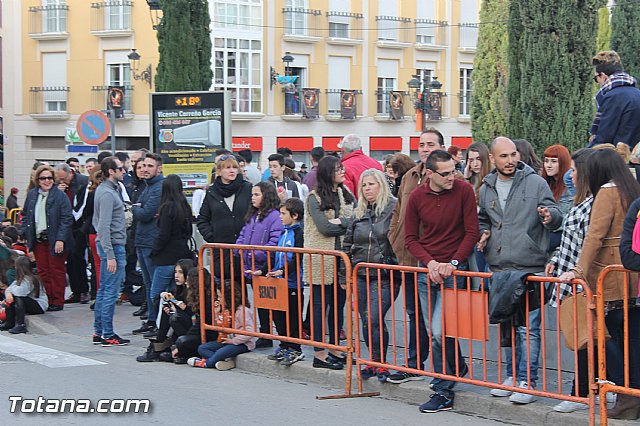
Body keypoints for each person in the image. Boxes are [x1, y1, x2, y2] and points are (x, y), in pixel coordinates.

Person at [478, 137, 562, 404]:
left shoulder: (535, 182)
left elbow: (555, 212)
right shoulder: (486, 187)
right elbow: (483, 219)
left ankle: (528, 381)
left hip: (529, 267)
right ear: (493, 159)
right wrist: (484, 233)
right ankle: (512, 377)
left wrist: (549, 216)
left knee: (529, 329)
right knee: (506, 326)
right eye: (504, 156)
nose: (511, 160)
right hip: (500, 265)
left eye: (513, 154)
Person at [561, 148, 640, 419]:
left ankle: (624, 395)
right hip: (630, 274)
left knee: (605, 338)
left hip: (608, 275)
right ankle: (630, 395)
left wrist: (578, 270)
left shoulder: (607, 191)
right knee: (628, 339)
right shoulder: (630, 186)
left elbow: (594, 236)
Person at [405, 150, 479, 413]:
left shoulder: (464, 191)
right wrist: (431, 264)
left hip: (453, 273)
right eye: (445, 173)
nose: (451, 176)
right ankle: (456, 367)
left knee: (440, 331)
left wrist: (453, 264)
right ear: (430, 173)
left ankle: (442, 390)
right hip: (429, 272)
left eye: (454, 170)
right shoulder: (416, 197)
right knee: (435, 331)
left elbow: (472, 232)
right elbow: (410, 238)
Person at [386, 129, 445, 384]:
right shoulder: (410, 176)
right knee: (413, 312)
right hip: (409, 256)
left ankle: (450, 368)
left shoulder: (448, 177)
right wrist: (392, 237)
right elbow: (398, 210)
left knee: (438, 320)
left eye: (430, 144)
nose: (425, 149)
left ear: (441, 146)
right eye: (421, 145)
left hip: (436, 258)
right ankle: (414, 363)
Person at [543, 148, 597, 413]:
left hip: (583, 280)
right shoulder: (580, 201)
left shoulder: (593, 204)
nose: (569, 175)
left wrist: (576, 270)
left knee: (586, 339)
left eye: (574, 171)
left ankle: (581, 392)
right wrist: (556, 257)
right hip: (570, 277)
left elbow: (588, 244)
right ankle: (584, 390)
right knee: (582, 339)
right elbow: (569, 239)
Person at [343, 169, 398, 381]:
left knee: (375, 318)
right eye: (364, 185)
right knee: (366, 320)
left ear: (381, 185)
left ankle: (381, 363)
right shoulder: (359, 211)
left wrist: (394, 263)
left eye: (372, 184)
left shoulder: (393, 208)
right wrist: (343, 276)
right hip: (360, 273)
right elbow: (348, 243)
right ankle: (374, 361)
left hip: (385, 275)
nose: (367, 189)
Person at [304, 155, 355, 370]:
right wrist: (344, 224)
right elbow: (324, 228)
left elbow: (355, 221)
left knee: (338, 305)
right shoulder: (313, 198)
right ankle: (319, 353)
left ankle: (335, 347)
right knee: (319, 306)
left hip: (342, 258)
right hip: (320, 259)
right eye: (338, 169)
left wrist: (341, 221)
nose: (342, 171)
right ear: (327, 173)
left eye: (342, 167)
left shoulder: (346, 194)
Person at [140, 174, 194, 339]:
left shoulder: (167, 207)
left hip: (165, 257)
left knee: (157, 293)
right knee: (172, 292)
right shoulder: (184, 206)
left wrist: (154, 250)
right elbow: (189, 231)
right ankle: (169, 324)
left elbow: (164, 234)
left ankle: (158, 326)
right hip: (181, 255)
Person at [255, 198, 305, 366]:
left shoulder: (299, 233)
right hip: (278, 282)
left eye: (284, 214)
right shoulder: (283, 232)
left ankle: (295, 348)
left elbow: (297, 258)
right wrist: (262, 270)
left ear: (295, 215)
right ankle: (284, 345)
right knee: (278, 316)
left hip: (292, 283)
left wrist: (284, 270)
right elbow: (273, 254)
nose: (280, 217)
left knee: (293, 317)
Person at [236, 181, 283, 347]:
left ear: (266, 196)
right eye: (252, 195)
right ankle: (265, 332)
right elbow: (242, 235)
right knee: (259, 301)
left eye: (256, 195)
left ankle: (268, 333)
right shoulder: (253, 216)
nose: (253, 198)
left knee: (268, 303)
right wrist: (240, 249)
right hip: (249, 265)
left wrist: (253, 253)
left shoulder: (275, 216)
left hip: (264, 266)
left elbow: (274, 241)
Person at [22, 165, 73, 312]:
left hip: (55, 240)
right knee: (43, 271)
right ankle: (47, 299)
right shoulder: (32, 195)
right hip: (38, 240)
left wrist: (60, 239)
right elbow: (25, 215)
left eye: (49, 178)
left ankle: (57, 300)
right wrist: (25, 232)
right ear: (38, 180)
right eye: (43, 178)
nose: (47, 181)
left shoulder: (60, 195)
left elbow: (66, 218)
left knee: (57, 270)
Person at [92, 156, 129, 347]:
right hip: (113, 245)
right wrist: (110, 255)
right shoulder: (107, 193)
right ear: (111, 172)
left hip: (111, 244)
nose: (124, 171)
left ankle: (100, 331)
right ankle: (107, 333)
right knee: (110, 291)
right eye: (120, 169)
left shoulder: (107, 190)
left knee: (104, 289)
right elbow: (103, 226)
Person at [196, 154, 252, 280]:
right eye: (227, 168)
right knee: (226, 290)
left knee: (244, 290)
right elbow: (202, 219)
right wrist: (212, 237)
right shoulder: (211, 192)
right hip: (222, 251)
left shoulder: (247, 188)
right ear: (219, 172)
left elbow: (256, 213)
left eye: (234, 167)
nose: (232, 170)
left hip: (245, 249)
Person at [136, 258, 196, 362]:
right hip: (180, 322)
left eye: (180, 272)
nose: (176, 276)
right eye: (175, 272)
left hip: (193, 326)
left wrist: (178, 306)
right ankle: (159, 344)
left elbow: (194, 312)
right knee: (163, 305)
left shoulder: (194, 290)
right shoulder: (179, 289)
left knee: (173, 316)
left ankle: (159, 344)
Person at [188, 281, 256, 370]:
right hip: (227, 340)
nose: (218, 299)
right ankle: (223, 362)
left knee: (220, 352)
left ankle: (207, 363)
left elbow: (250, 332)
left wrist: (234, 341)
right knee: (202, 348)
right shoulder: (226, 310)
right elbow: (220, 328)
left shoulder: (243, 311)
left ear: (228, 298)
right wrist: (217, 314)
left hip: (242, 343)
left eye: (220, 297)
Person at [131, 153, 164, 333]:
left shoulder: (159, 187)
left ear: (159, 168)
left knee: (155, 284)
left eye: (150, 166)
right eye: (143, 166)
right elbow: (141, 210)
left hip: (152, 241)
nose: (145, 169)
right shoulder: (146, 187)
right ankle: (151, 320)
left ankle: (156, 321)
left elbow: (145, 213)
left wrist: (138, 209)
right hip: (142, 240)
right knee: (148, 283)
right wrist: (139, 208)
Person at [54, 162, 90, 305]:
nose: (62, 182)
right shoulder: (59, 186)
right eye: (59, 179)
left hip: (79, 225)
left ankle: (84, 290)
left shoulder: (82, 182)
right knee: (69, 259)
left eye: (64, 178)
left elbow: (82, 206)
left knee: (78, 257)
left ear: (70, 173)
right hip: (66, 226)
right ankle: (76, 291)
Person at [589, 50, 640, 149]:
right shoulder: (637, 93)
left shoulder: (612, 97)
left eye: (596, 79)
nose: (598, 83)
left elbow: (604, 137)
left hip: (619, 159)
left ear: (603, 76)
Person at [0, 256, 48, 334]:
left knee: (18, 297)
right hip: (29, 303)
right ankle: (9, 323)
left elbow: (20, 292)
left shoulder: (31, 279)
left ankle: (21, 325)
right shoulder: (20, 278)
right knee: (13, 296)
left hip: (39, 306)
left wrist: (10, 292)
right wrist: (9, 293)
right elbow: (10, 288)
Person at [542, 145, 573, 251]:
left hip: (562, 233)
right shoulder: (544, 185)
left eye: (554, 161)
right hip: (545, 230)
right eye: (546, 161)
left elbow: (569, 220)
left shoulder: (570, 187)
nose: (548, 165)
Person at [81, 169, 104, 303]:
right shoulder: (111, 192)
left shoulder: (92, 194)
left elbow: (86, 212)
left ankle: (100, 295)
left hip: (93, 232)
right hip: (102, 232)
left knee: (98, 265)